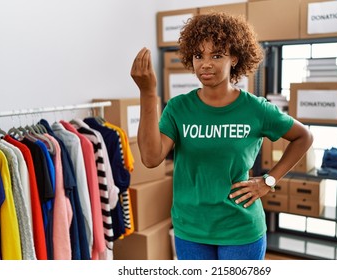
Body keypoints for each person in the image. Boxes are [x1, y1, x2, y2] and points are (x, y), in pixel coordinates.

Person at [130, 12, 313, 260]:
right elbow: (151, 158)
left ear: (234, 58)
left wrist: (269, 181)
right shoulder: (178, 108)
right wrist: (148, 93)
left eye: (216, 55)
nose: (205, 64)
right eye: (198, 55)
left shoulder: (256, 109)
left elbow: (303, 137)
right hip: (191, 230)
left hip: (241, 230)